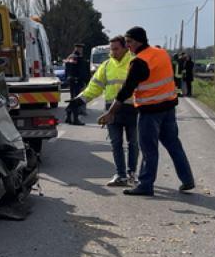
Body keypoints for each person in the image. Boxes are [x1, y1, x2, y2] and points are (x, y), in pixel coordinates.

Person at [99, 27, 195, 197]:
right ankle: (187, 180)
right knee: (174, 145)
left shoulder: (139, 62)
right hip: (168, 108)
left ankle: (145, 185)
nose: (127, 45)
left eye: (129, 42)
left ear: (138, 41)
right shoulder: (161, 53)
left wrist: (111, 112)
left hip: (150, 111)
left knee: (149, 149)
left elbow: (126, 90)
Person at [69, 35, 138, 186]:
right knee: (116, 143)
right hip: (111, 111)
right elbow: (95, 86)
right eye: (111, 49)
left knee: (133, 143)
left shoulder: (135, 62)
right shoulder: (106, 65)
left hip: (133, 109)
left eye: (116, 49)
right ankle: (121, 175)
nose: (113, 52)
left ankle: (132, 174)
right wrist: (80, 100)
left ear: (125, 48)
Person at [64, 43, 88, 125]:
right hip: (76, 81)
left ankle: (68, 116)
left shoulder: (70, 57)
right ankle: (75, 119)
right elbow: (79, 71)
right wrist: (83, 80)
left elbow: (68, 70)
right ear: (77, 49)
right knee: (76, 101)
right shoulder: (76, 57)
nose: (81, 50)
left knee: (73, 100)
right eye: (80, 49)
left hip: (73, 81)